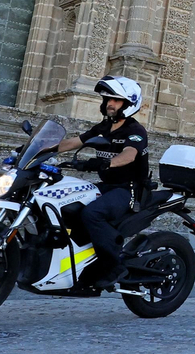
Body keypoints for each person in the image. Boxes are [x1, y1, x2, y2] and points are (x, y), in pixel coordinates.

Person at [55, 75, 150, 288]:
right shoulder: (103, 127)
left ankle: (113, 266)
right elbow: (74, 142)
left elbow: (129, 154)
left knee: (92, 213)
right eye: (108, 99)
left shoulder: (135, 130)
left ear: (128, 104)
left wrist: (109, 163)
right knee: (68, 205)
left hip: (129, 189)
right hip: (107, 186)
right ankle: (83, 262)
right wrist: (41, 150)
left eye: (115, 100)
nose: (109, 103)